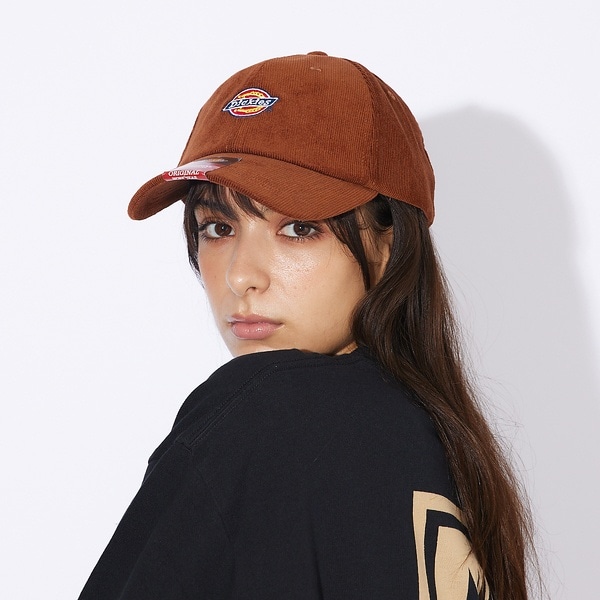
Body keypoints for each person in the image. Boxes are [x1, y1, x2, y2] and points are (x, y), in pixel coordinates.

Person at [78, 52, 534, 599]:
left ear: (388, 246)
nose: (241, 275)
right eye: (217, 227)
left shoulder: (267, 413)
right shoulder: (445, 450)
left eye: (297, 228)